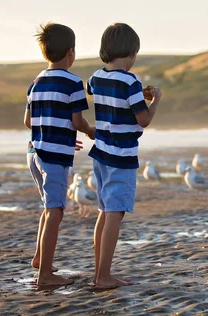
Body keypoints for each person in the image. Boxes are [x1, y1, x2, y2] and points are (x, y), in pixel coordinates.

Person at [87, 23, 162, 290]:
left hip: (101, 153)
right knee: (115, 214)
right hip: (121, 155)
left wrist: (132, 98)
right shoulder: (131, 81)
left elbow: (99, 92)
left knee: (104, 212)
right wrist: (154, 101)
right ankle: (103, 277)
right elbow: (143, 120)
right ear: (131, 53)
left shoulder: (96, 77)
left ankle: (99, 272)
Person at [24, 22, 95, 286]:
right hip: (53, 156)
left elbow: (28, 122)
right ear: (71, 53)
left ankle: (39, 259)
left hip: (34, 151)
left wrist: (61, 136)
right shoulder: (73, 83)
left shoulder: (36, 82)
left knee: (48, 206)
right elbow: (78, 122)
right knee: (55, 210)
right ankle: (44, 276)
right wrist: (90, 132)